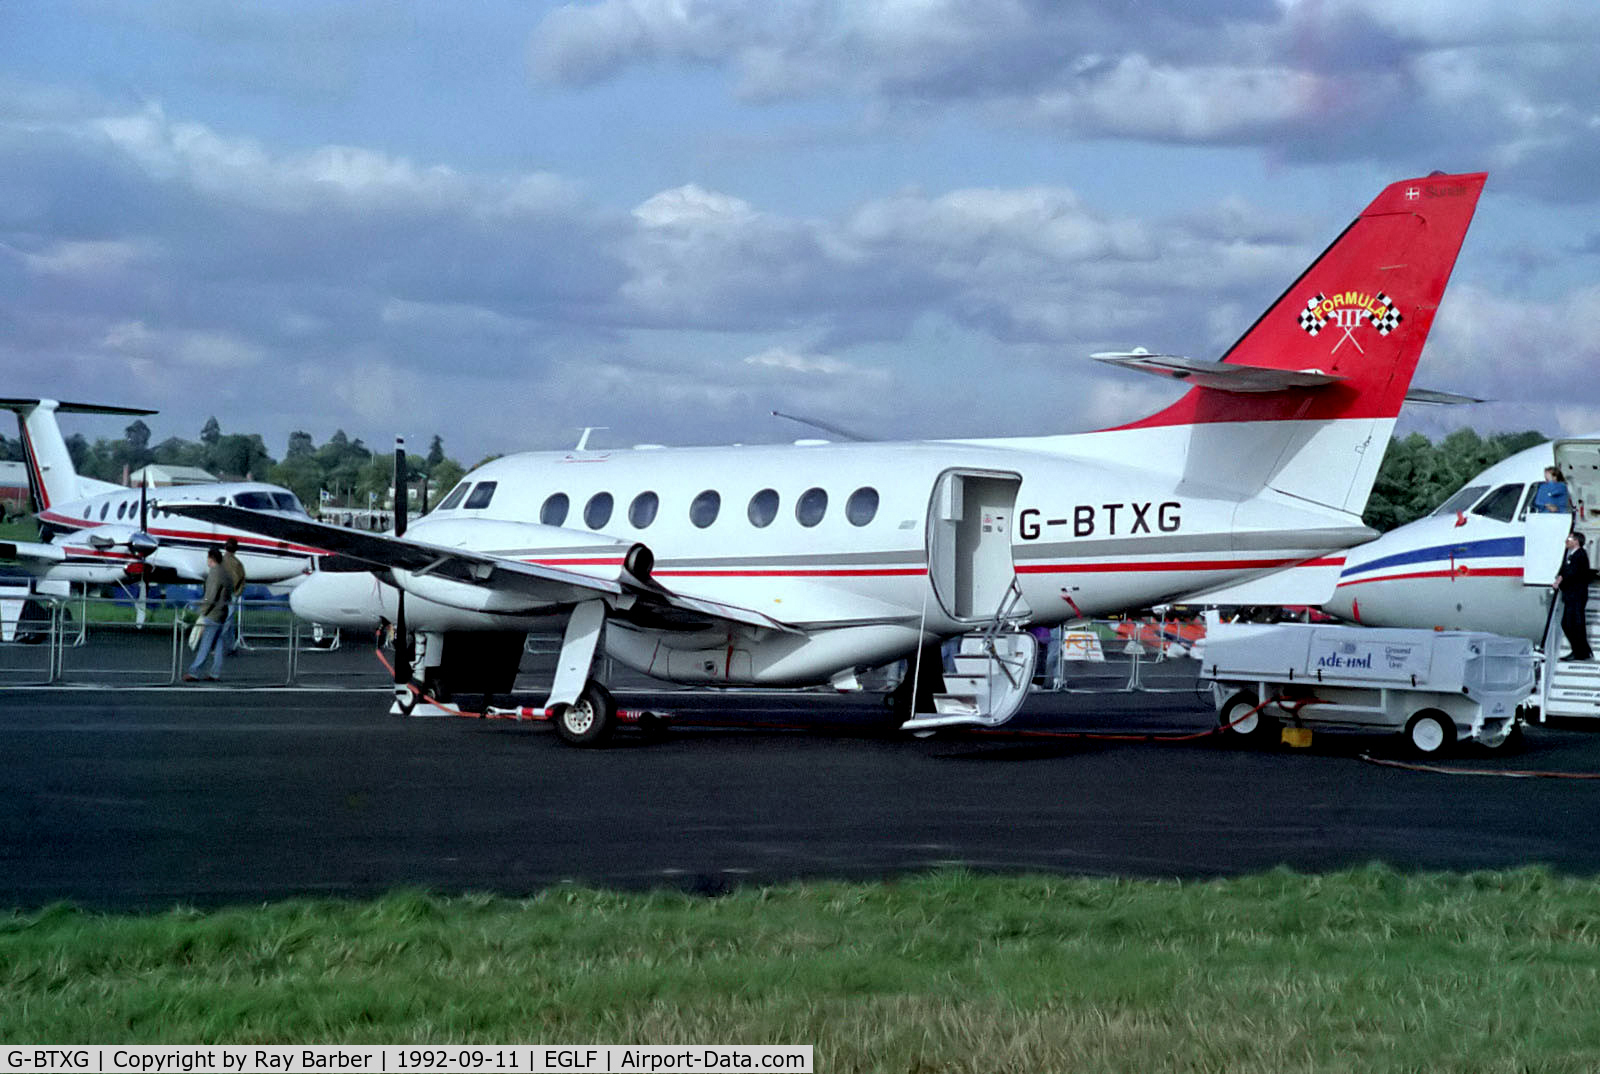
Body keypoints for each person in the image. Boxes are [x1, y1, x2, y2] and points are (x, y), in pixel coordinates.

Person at [184, 547, 232, 681]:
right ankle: (215, 673)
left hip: (212, 614)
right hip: (222, 612)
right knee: (217, 644)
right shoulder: (225, 573)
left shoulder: (214, 573)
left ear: (211, 559)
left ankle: (194, 672)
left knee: (205, 644)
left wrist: (202, 611)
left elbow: (210, 596)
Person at [1555, 532, 1593, 662]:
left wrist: (1560, 581)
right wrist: (1559, 579)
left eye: (1569, 539)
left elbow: (1571, 572)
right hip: (1571, 595)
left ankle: (1580, 652)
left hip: (1576, 595)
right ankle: (1581, 651)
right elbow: (1564, 570)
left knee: (1572, 624)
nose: (1566, 540)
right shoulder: (1571, 554)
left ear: (1576, 541)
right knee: (1569, 624)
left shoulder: (1580, 555)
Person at [220, 536, 247, 656]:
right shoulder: (237, 563)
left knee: (223, 620)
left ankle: (226, 646)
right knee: (228, 621)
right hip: (232, 595)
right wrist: (237, 592)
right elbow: (240, 579)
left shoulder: (220, 561)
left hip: (221, 594)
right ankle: (227, 646)